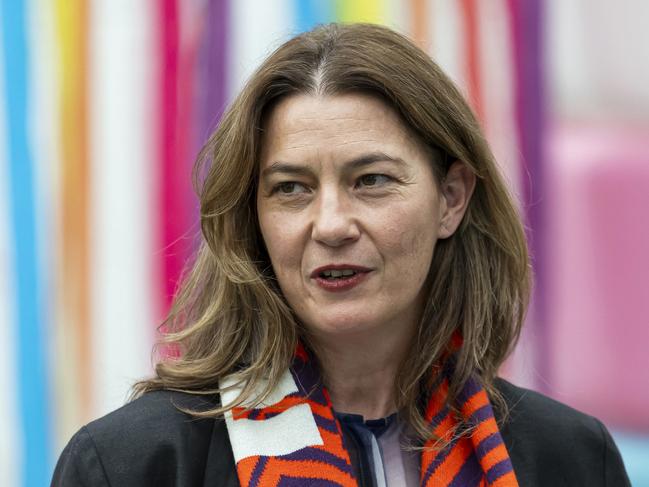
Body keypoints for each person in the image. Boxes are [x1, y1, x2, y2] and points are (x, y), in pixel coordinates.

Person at [52, 23, 630, 487]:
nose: (329, 225)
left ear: (451, 198)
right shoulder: (133, 464)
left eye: (372, 180)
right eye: (291, 189)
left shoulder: (571, 459)